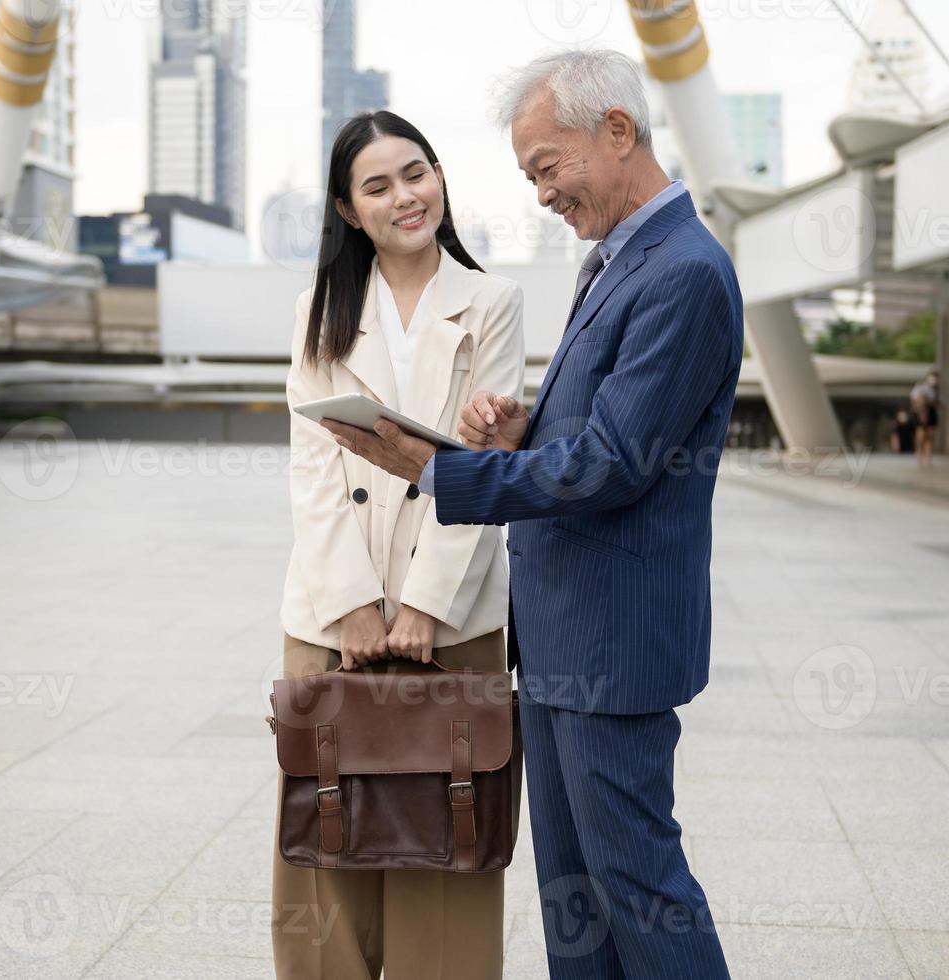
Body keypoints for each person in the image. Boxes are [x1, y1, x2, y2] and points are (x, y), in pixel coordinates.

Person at [322, 50, 737, 979]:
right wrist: (524, 426)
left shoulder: (683, 273)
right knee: (575, 900)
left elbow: (618, 464)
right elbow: (599, 427)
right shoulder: (620, 260)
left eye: (548, 167)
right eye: (529, 176)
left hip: (612, 646)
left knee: (639, 888)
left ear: (618, 132)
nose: (543, 193)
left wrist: (447, 473)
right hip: (558, 643)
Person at [274, 110, 525, 980]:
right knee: (324, 854)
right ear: (348, 211)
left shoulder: (490, 302)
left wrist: (423, 603)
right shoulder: (320, 313)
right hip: (329, 616)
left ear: (440, 177)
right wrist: (350, 605)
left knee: (447, 853)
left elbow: (491, 466)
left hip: (450, 619)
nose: (402, 196)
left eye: (414, 173)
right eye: (376, 186)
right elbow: (313, 471)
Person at [910, 370, 939, 467]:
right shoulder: (920, 387)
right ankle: (919, 452)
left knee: (930, 435)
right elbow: (915, 399)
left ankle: (928, 455)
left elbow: (934, 402)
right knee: (921, 434)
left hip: (930, 412)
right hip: (920, 412)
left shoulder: (934, 389)